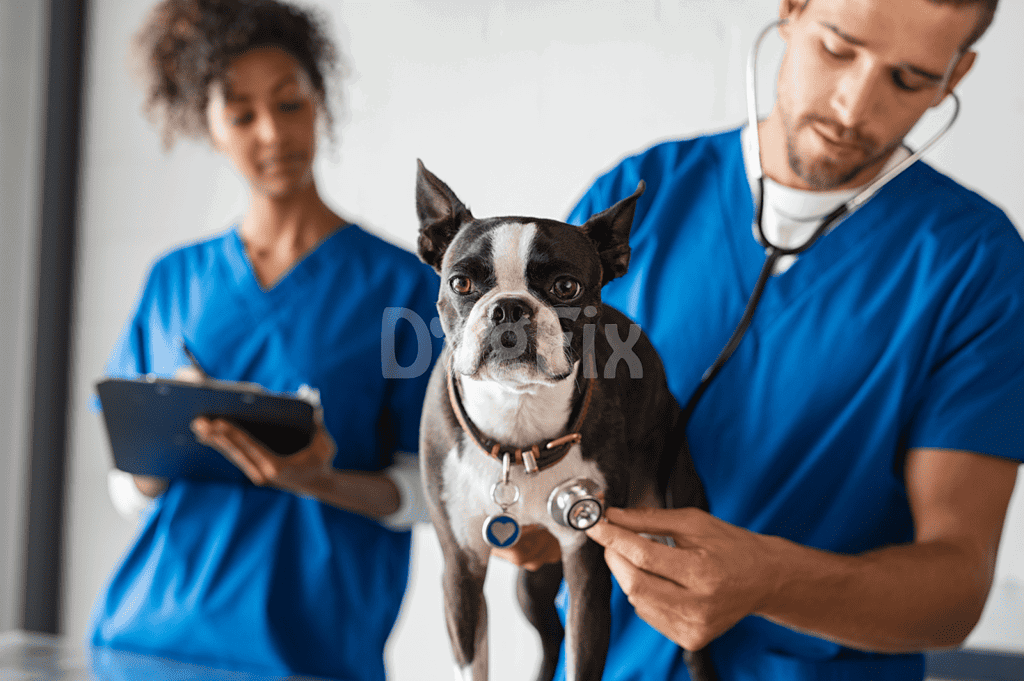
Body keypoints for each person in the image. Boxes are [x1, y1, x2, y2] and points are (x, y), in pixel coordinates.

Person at [500, 0, 1024, 679]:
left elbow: (956, 588)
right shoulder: (636, 202)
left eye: (909, 80)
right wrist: (534, 516)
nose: (852, 104)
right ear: (792, 9)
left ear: (957, 75)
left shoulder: (976, 266)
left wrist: (773, 580)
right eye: (838, 48)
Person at [88, 2, 441, 679]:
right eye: (243, 115)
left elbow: (430, 491)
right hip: (144, 639)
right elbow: (132, 490)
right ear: (209, 127)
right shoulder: (175, 280)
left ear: (319, 102)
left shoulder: (403, 287)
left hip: (307, 652)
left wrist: (322, 480)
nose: (273, 133)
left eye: (289, 103)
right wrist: (170, 435)